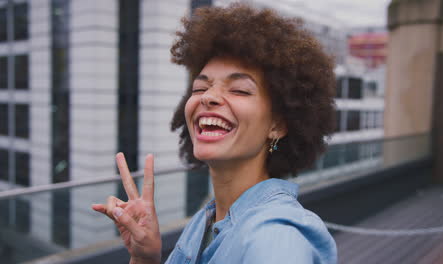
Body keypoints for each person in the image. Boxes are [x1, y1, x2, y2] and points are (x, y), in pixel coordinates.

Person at [92, 3, 337, 264]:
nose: (208, 97)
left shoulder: (275, 241)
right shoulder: (205, 221)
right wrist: (145, 257)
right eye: (200, 88)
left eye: (240, 90)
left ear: (277, 125)